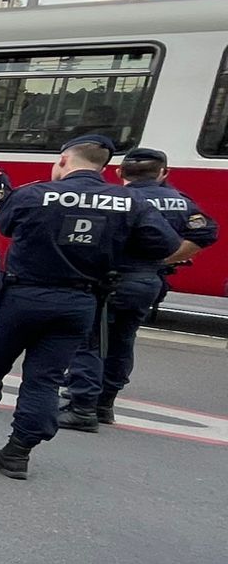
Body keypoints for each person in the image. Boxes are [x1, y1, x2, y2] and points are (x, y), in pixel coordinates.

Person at [0, 134, 180, 479]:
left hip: (22, 297)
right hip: (79, 301)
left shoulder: (33, 193)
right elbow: (165, 244)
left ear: (64, 161)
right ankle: (18, 452)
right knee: (44, 380)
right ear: (105, 166)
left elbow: (7, 226)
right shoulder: (129, 201)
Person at [57, 147, 217, 431]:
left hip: (113, 280)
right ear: (163, 173)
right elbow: (205, 233)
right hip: (149, 281)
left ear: (119, 172)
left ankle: (82, 406)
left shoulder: (119, 199)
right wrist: (164, 259)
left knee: (93, 341)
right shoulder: (180, 201)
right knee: (123, 340)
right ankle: (105, 403)